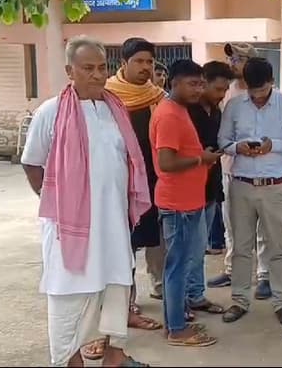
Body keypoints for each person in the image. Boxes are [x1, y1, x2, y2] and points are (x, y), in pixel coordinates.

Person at [20, 35, 151, 367]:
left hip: (113, 222)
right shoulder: (50, 112)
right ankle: (70, 359)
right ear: (70, 71)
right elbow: (32, 162)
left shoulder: (116, 110)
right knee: (69, 292)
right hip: (70, 228)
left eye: (102, 67)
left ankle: (115, 356)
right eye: (88, 68)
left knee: (117, 285)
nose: (97, 75)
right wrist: (58, 203)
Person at [218, 57, 282, 325]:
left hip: (275, 186)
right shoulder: (235, 105)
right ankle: (239, 300)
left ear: (272, 81)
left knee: (278, 246)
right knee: (241, 246)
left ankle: (281, 302)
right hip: (241, 185)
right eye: (252, 90)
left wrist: (275, 145)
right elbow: (222, 140)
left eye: (262, 90)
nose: (257, 96)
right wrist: (237, 147)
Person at [149, 59, 222, 347]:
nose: (198, 89)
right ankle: (176, 329)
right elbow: (166, 162)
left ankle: (176, 321)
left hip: (189, 200)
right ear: (174, 83)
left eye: (201, 84)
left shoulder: (179, 110)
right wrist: (201, 159)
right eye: (192, 84)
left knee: (181, 264)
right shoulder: (169, 114)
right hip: (177, 204)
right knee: (177, 267)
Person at [103, 38, 164, 338]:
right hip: (117, 183)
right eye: (139, 61)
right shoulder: (106, 97)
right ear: (123, 64)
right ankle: (125, 304)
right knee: (121, 247)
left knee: (153, 240)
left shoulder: (158, 97)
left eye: (149, 62)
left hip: (152, 180)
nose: (145, 67)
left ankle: (158, 289)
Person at [207, 42, 272, 300]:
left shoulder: (271, 95)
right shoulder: (227, 92)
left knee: (263, 228)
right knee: (232, 225)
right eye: (231, 59)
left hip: (264, 172)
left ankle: (264, 275)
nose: (232, 63)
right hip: (231, 169)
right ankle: (232, 270)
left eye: (238, 59)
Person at [184, 61, 233, 316]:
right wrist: (201, 157)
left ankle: (195, 295)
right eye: (217, 89)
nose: (221, 95)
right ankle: (182, 300)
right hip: (187, 189)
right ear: (203, 83)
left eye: (225, 90)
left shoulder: (215, 110)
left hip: (210, 186)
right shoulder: (184, 110)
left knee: (200, 247)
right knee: (186, 250)